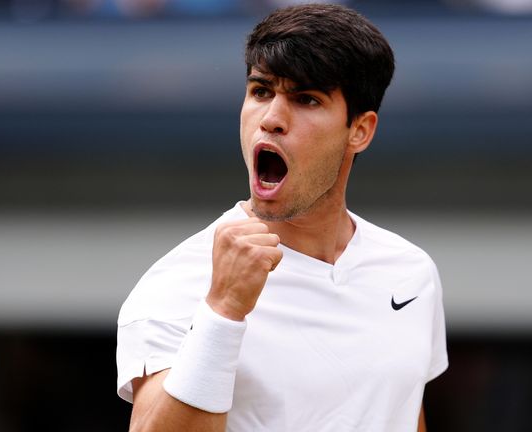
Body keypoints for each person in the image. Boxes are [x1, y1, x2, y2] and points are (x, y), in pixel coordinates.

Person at [116, 4, 448, 431]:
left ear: (360, 130)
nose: (271, 118)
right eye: (260, 91)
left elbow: (401, 413)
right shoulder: (179, 282)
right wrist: (224, 310)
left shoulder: (411, 272)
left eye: (306, 99)